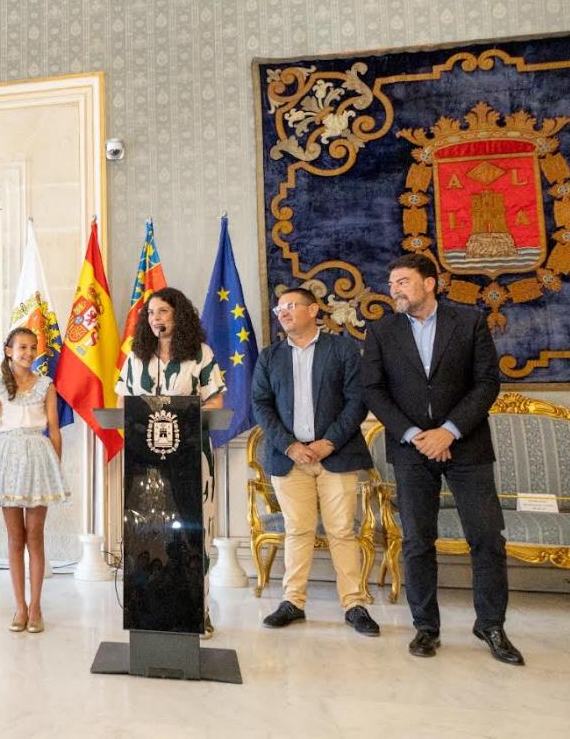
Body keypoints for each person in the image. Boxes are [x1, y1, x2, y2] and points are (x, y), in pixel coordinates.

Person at [362, 253, 522, 665]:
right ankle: (425, 627)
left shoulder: (468, 322)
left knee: (486, 539)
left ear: (430, 283)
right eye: (392, 282)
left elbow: (487, 383)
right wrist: (417, 436)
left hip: (466, 446)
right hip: (412, 450)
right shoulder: (381, 331)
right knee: (418, 541)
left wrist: (448, 431)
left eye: (402, 281)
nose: (394, 289)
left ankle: (490, 625)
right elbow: (374, 391)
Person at [251, 288, 379, 636]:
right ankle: (293, 601)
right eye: (280, 307)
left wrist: (329, 442)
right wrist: (290, 446)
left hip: (335, 454)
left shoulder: (343, 349)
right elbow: (261, 406)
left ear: (313, 310)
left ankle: (354, 604)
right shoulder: (270, 356)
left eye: (292, 306)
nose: (284, 312)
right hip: (289, 458)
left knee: (341, 531)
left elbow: (357, 401)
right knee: (298, 530)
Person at [115, 286, 224, 637]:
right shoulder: (136, 357)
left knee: (193, 534)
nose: (155, 319)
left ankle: (197, 611)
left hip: (190, 457)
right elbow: (123, 404)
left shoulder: (199, 354)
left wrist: (180, 414)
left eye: (162, 311)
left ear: (178, 314)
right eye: (150, 313)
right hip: (144, 459)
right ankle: (149, 610)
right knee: (148, 534)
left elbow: (216, 404)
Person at [0, 327, 68, 633]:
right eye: (22, 347)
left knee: (35, 535)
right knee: (14, 537)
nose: (29, 353)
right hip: (7, 460)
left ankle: (36, 606)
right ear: (9, 350)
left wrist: (55, 468)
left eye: (33, 348)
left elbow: (55, 429)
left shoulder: (46, 384)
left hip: (37, 458)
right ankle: (19, 606)